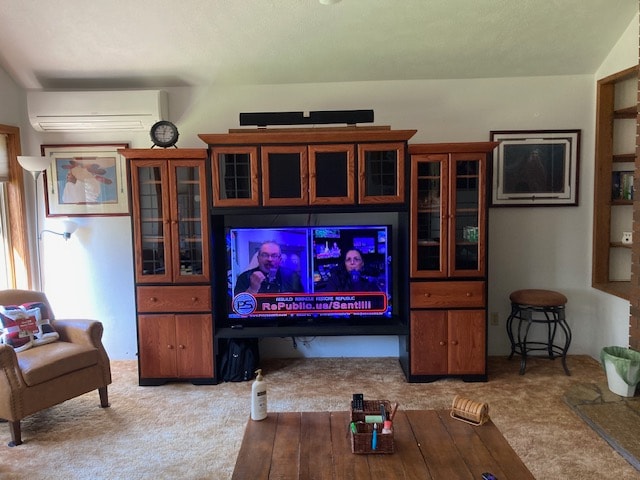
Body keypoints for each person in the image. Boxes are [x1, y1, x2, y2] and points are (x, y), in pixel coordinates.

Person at [234, 241, 303, 295]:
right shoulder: (244, 277)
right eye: (265, 255)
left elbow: (303, 304)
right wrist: (252, 289)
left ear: (280, 259)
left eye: (274, 255)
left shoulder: (292, 276)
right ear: (258, 258)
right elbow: (238, 308)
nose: (270, 259)